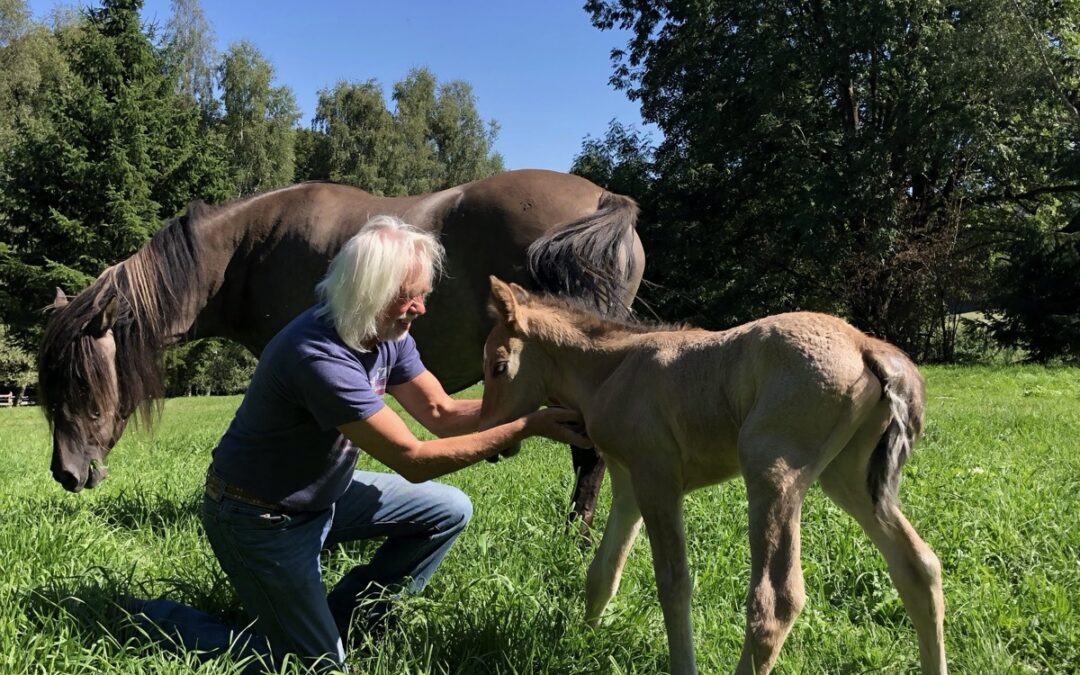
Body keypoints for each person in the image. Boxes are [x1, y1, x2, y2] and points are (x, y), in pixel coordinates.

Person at [128, 215, 591, 673]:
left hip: (325, 495)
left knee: (449, 510)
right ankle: (158, 619)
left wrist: (525, 401)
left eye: (422, 296)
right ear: (370, 294)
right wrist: (526, 426)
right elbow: (413, 459)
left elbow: (441, 413)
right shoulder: (319, 355)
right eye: (411, 297)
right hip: (260, 517)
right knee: (316, 669)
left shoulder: (388, 334)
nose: (421, 309)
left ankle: (346, 614)